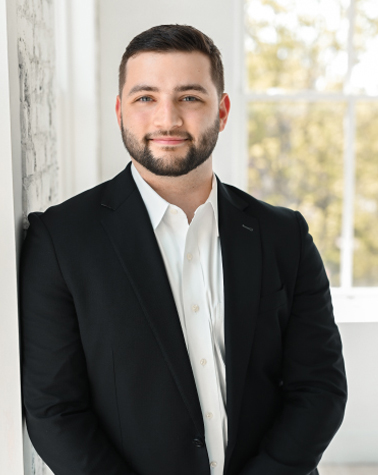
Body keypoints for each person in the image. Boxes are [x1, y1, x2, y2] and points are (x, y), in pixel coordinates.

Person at [20, 24, 347, 475]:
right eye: (145, 98)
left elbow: (320, 389)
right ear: (119, 110)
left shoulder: (284, 236)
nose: (168, 119)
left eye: (190, 97)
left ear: (223, 110)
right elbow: (54, 411)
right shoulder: (60, 240)